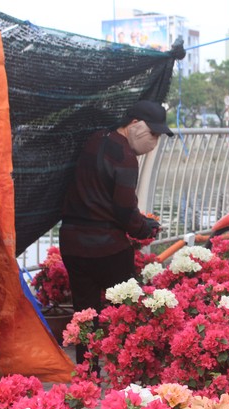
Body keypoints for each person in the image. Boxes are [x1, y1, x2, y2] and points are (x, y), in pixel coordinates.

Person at [59, 100, 173, 365]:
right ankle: (130, 367)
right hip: (107, 247)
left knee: (84, 312)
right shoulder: (125, 157)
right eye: (152, 133)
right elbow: (124, 211)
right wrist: (145, 227)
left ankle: (88, 370)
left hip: (72, 242)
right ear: (133, 124)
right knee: (127, 310)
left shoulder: (96, 139)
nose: (153, 140)